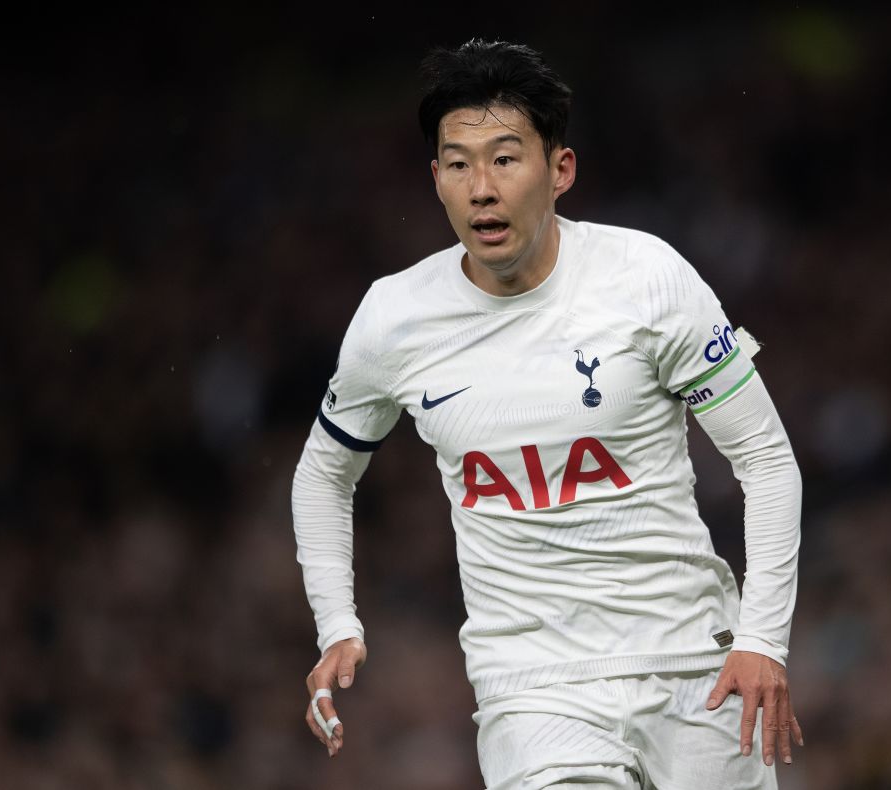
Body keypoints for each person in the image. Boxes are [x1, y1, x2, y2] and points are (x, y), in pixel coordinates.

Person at [292, 38, 804, 789]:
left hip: (696, 660)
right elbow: (323, 473)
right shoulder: (393, 319)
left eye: (505, 158)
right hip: (533, 688)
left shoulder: (647, 280)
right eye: (458, 163)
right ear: (435, 178)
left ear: (559, 169)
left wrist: (763, 637)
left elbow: (765, 456)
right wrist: (337, 620)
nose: (481, 188)